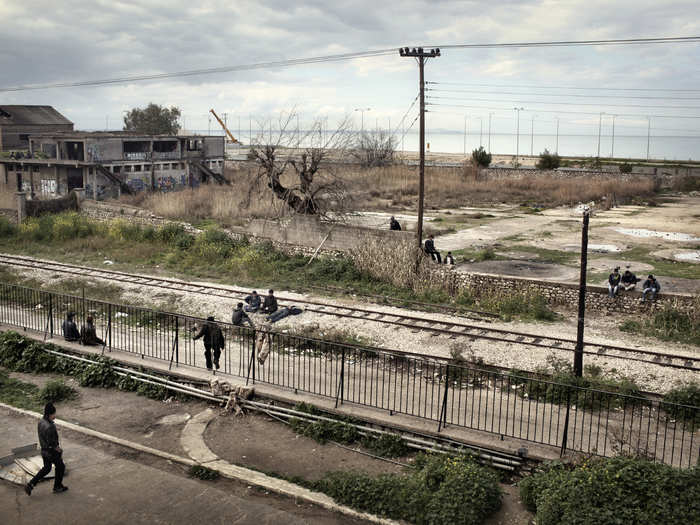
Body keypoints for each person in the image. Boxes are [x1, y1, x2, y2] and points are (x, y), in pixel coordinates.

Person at [25, 403, 68, 495]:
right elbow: (52, 443)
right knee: (61, 467)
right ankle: (57, 486)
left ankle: (31, 484)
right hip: (51, 452)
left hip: (44, 451)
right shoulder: (50, 427)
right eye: (54, 414)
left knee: (47, 468)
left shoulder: (41, 422)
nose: (54, 416)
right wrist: (58, 449)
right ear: (49, 414)